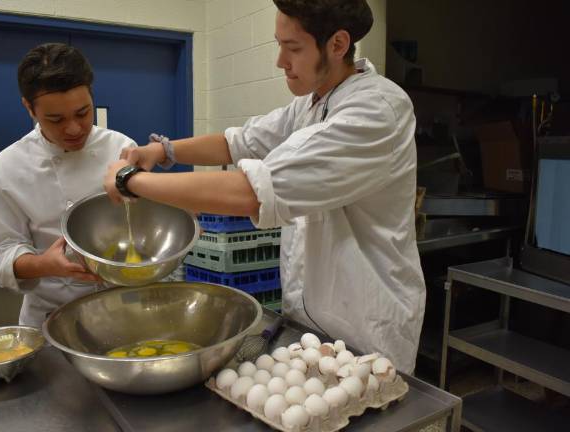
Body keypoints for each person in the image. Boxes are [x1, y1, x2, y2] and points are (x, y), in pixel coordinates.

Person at [104, 0, 426, 373]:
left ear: (337, 45)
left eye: (293, 48)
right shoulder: (311, 104)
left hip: (367, 326)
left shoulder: (376, 110)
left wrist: (132, 182)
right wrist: (162, 151)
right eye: (279, 45)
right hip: (310, 323)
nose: (280, 62)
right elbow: (240, 141)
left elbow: (250, 192)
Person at [0, 43, 136, 328]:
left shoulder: (122, 148)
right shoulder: (5, 169)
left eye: (83, 113)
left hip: (122, 309)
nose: (74, 129)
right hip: (51, 317)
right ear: (29, 108)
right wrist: (43, 264)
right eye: (56, 119)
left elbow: (144, 222)